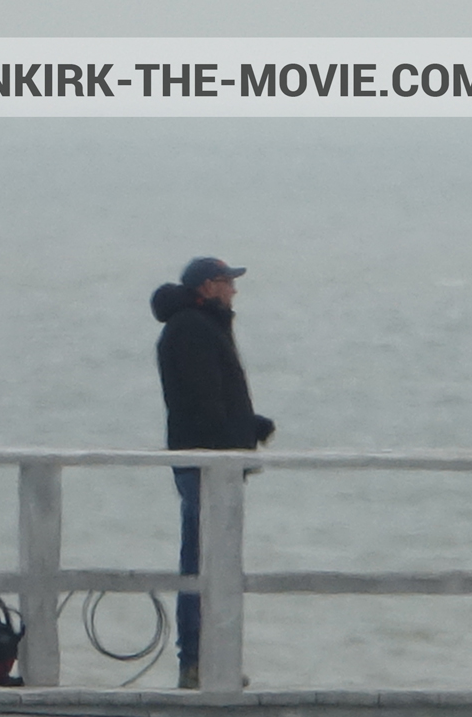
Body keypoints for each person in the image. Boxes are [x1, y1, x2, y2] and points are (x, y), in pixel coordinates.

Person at [152, 257, 276, 690]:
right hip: (205, 463)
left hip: (211, 459)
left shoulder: (202, 326)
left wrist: (249, 425)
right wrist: (236, 434)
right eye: (228, 282)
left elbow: (213, 398)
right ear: (208, 286)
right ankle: (197, 663)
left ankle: (210, 659)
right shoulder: (192, 328)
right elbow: (203, 403)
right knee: (201, 562)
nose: (234, 290)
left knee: (212, 561)